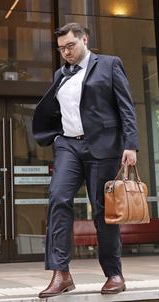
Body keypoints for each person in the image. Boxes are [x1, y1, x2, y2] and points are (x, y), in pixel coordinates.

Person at [32, 22, 138, 297]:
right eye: (61, 48)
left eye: (70, 45)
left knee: (103, 211)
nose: (66, 52)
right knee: (58, 199)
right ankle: (61, 273)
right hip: (69, 145)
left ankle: (114, 273)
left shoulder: (109, 64)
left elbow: (126, 106)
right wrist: (56, 137)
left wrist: (131, 145)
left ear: (84, 40)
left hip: (102, 146)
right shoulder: (60, 74)